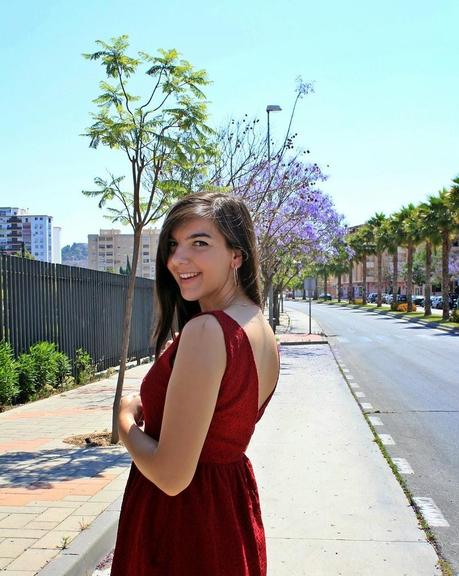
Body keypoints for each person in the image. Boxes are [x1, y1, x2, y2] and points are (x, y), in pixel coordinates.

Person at [110, 191, 280, 575]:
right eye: (173, 245)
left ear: (237, 256)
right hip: (227, 513)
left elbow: (172, 477)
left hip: (182, 529)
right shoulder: (259, 326)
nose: (177, 259)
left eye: (199, 243)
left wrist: (123, 422)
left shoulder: (207, 331)